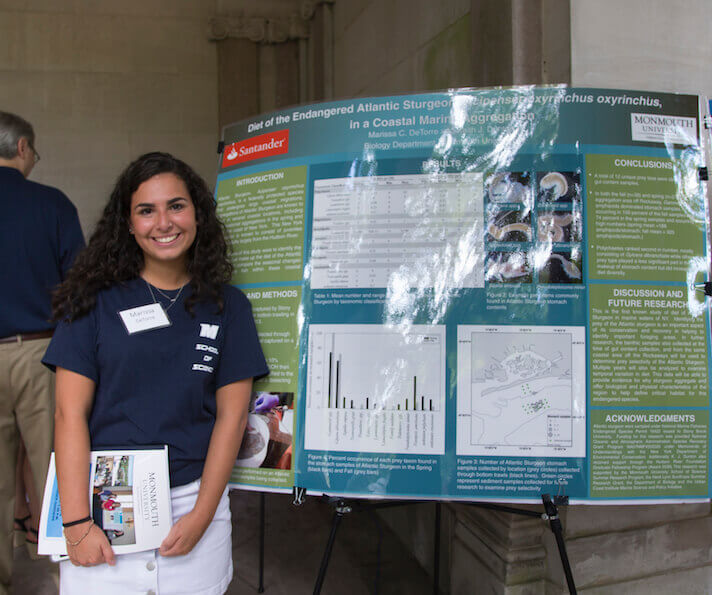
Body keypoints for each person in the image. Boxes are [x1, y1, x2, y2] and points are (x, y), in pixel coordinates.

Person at [43, 152, 268, 594]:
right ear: (128, 224)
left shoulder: (228, 306)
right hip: (103, 505)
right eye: (146, 210)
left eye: (176, 206)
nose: (163, 223)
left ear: (197, 214)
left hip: (193, 505)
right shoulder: (92, 302)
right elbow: (68, 414)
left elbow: (232, 417)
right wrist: (77, 523)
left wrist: (202, 514)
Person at [0, 111, 84, 594]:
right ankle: (65, 573)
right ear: (23, 147)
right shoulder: (52, 204)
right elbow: (79, 287)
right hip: (42, 352)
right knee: (57, 468)